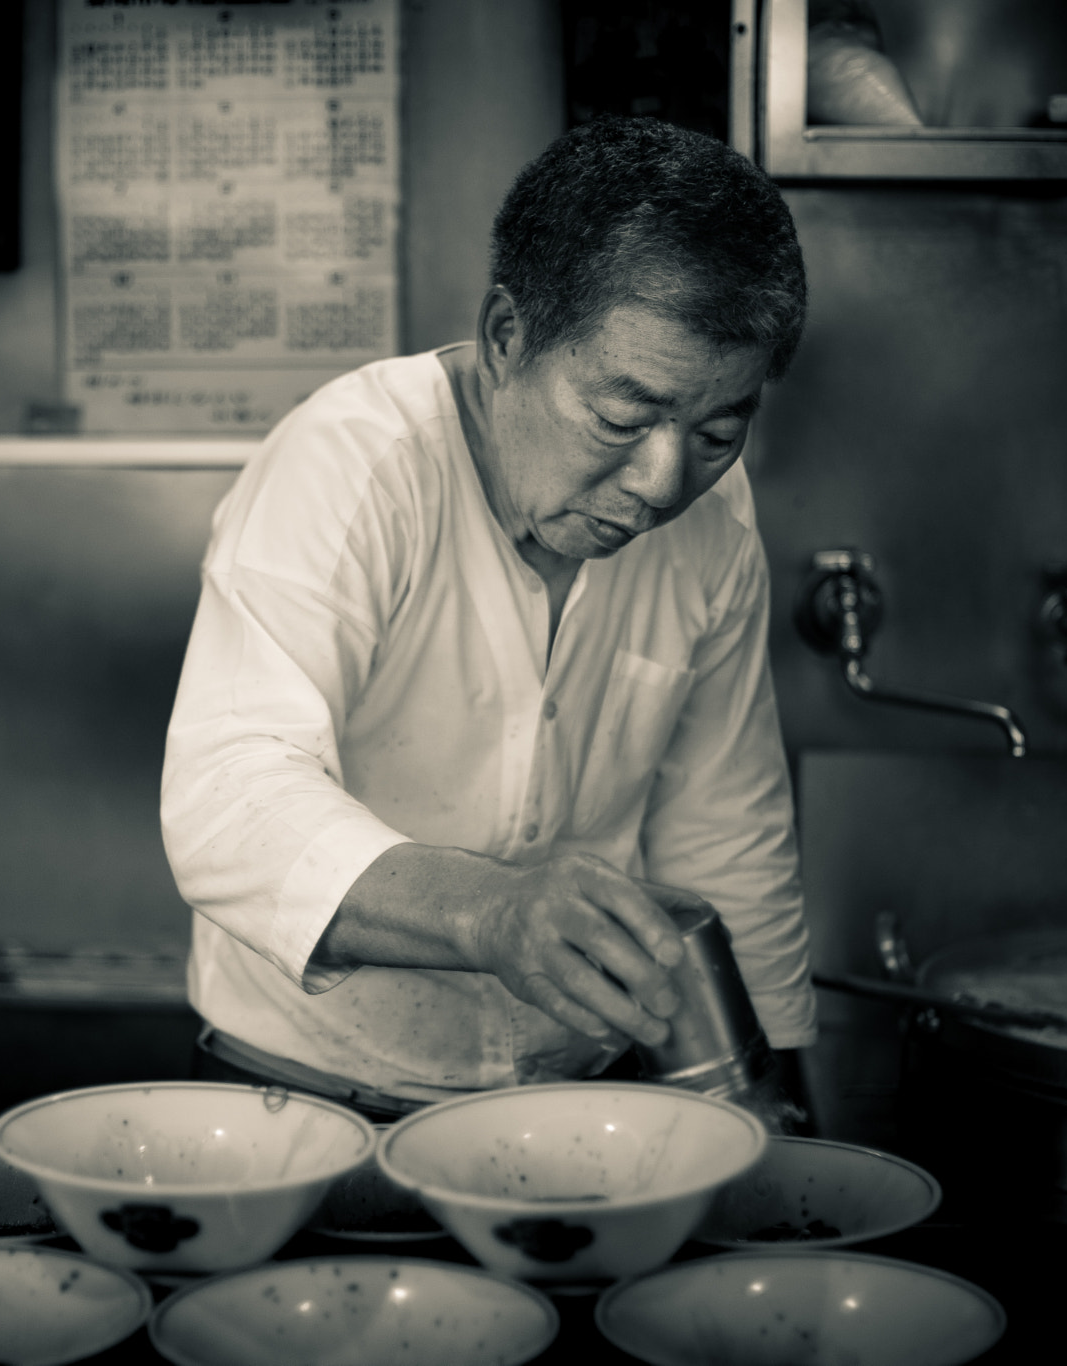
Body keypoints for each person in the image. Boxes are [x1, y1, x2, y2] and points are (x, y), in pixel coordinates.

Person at [161, 118, 813, 1120]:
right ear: (506, 336)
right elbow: (228, 799)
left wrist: (770, 1091)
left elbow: (722, 829)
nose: (659, 480)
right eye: (619, 417)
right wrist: (487, 908)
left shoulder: (712, 523)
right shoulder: (352, 466)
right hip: (302, 1095)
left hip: (571, 1098)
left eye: (717, 430)